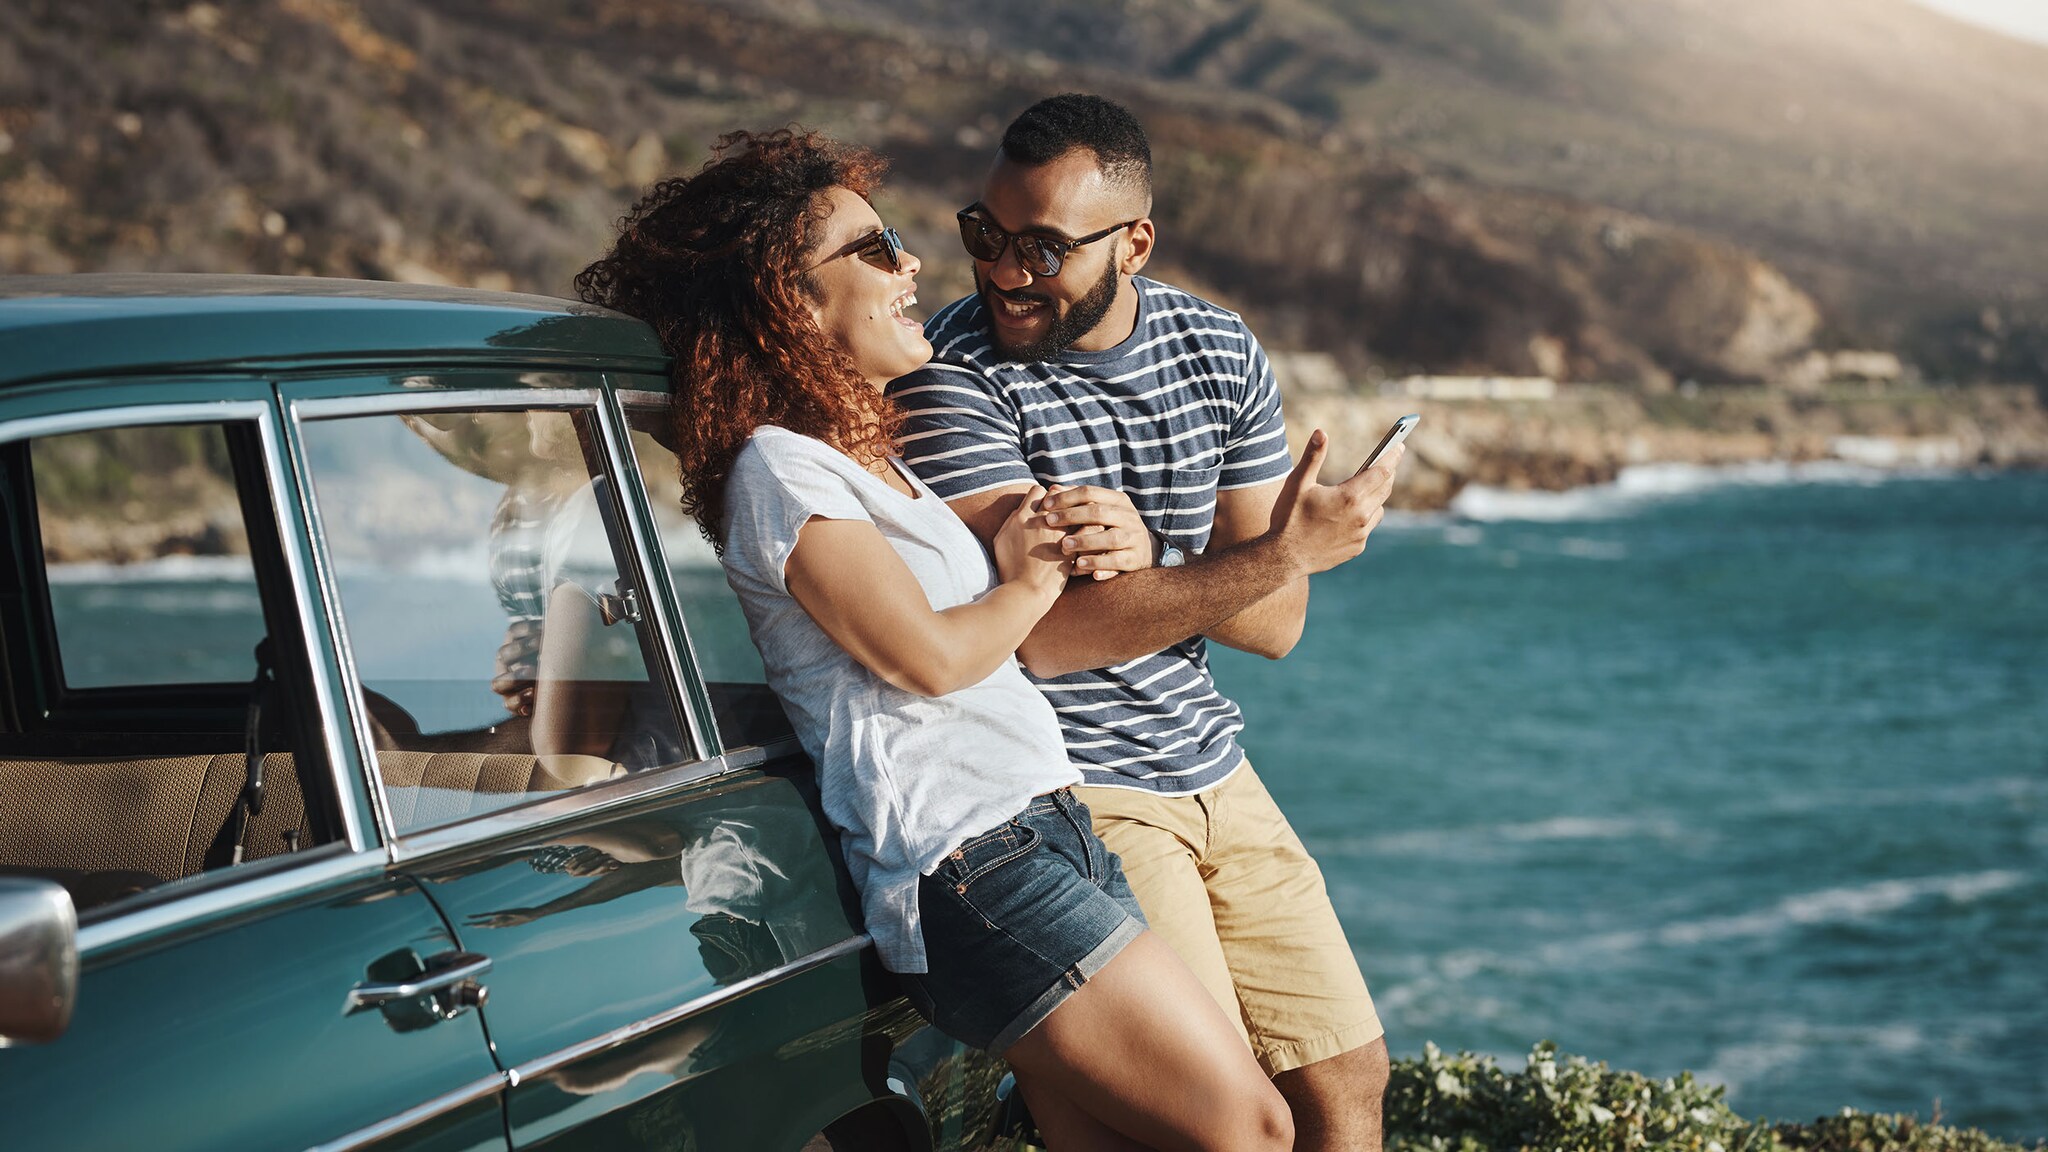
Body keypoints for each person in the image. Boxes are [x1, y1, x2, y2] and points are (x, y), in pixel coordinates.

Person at [577, 127, 1292, 1151]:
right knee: (1250, 1128)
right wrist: (1033, 574)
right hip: (967, 860)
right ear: (789, 300)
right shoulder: (779, 471)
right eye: (872, 251)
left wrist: (1028, 542)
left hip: (1043, 822)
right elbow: (929, 657)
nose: (912, 264)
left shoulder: (862, 460)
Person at [888, 94, 1403, 1151]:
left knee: (1347, 1078)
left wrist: (1191, 564)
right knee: (1214, 1113)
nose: (1001, 272)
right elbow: (1049, 637)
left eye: (1041, 248)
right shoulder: (951, 379)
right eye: (983, 234)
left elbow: (1276, 624)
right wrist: (1269, 556)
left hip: (1211, 763)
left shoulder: (1214, 347)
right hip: (1078, 785)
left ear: (1135, 242)